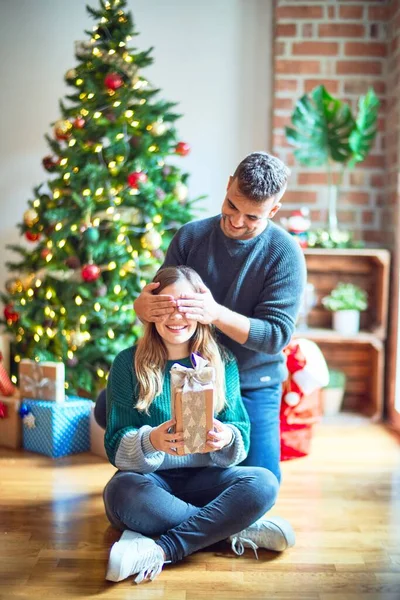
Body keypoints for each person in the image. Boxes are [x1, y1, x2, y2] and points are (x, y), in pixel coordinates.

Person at [103, 266, 295, 584]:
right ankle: (231, 528)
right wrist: (151, 440)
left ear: (201, 310)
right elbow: (115, 444)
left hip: (208, 480)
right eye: (167, 305)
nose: (176, 316)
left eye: (186, 305)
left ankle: (165, 547)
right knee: (121, 492)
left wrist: (226, 437)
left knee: (263, 483)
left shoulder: (222, 361)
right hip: (152, 483)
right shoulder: (128, 363)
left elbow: (240, 432)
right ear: (151, 310)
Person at [133, 151, 307, 483]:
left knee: (262, 483)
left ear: (273, 210)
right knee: (175, 473)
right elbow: (159, 305)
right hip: (188, 374)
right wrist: (142, 308)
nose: (237, 221)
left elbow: (275, 338)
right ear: (229, 185)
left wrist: (216, 314)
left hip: (253, 382)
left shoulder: (285, 253)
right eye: (232, 206)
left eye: (252, 217)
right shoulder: (190, 238)